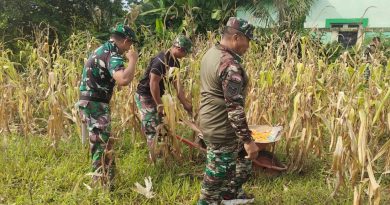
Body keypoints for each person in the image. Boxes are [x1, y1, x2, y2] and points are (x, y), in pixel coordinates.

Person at [197, 17, 259, 205]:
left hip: (211, 120)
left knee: (240, 163)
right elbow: (234, 107)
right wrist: (248, 140)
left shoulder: (211, 53)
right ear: (236, 37)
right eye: (247, 40)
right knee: (216, 178)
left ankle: (230, 194)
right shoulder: (229, 64)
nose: (248, 46)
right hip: (220, 127)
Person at [76, 23, 138, 188]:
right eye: (130, 44)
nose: (129, 48)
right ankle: (100, 186)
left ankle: (108, 182)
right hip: (95, 104)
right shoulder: (113, 53)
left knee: (104, 143)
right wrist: (133, 61)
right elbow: (123, 79)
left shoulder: (101, 49)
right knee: (101, 146)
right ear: (125, 40)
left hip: (90, 102)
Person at [135, 35, 193, 161]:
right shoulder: (161, 60)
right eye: (186, 52)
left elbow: (177, 85)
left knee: (161, 125)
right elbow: (153, 83)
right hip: (146, 96)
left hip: (156, 97)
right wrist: (159, 105)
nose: (186, 55)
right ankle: (155, 161)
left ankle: (162, 153)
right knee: (153, 128)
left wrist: (186, 104)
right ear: (180, 49)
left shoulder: (175, 63)